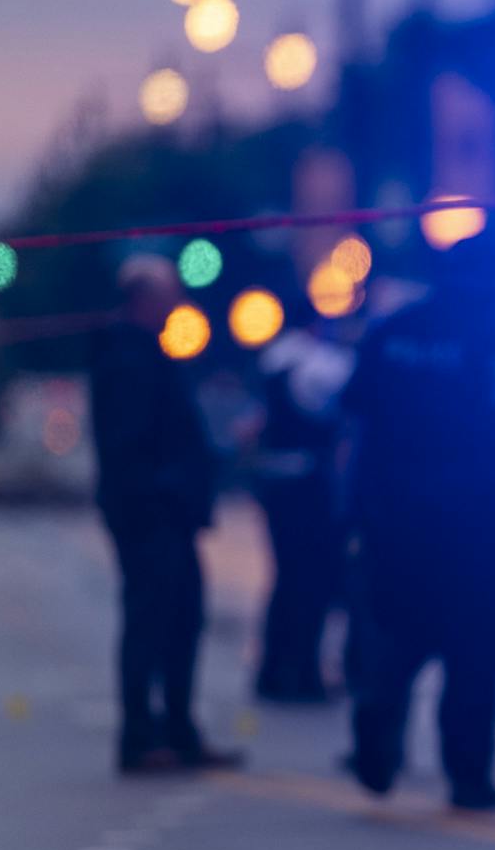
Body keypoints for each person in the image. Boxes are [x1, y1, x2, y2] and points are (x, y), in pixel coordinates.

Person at [341, 231, 495, 811]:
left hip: (394, 519)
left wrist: (353, 511)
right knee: (474, 655)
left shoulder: (391, 333)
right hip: (475, 525)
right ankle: (468, 776)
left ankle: (376, 750)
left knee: (394, 644)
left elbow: (355, 425)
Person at [88, 254, 242, 775]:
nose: (175, 304)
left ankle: (177, 730)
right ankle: (142, 736)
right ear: (144, 298)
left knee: (180, 621)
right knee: (153, 623)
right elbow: (136, 444)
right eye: (167, 295)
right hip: (152, 514)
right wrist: (168, 489)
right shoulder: (128, 359)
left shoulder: (138, 353)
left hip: (164, 511)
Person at [251, 325, 355, 703]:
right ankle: (302, 672)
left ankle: (275, 669)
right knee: (313, 581)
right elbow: (343, 396)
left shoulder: (277, 358)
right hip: (308, 486)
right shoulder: (316, 363)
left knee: (287, 579)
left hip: (277, 482)